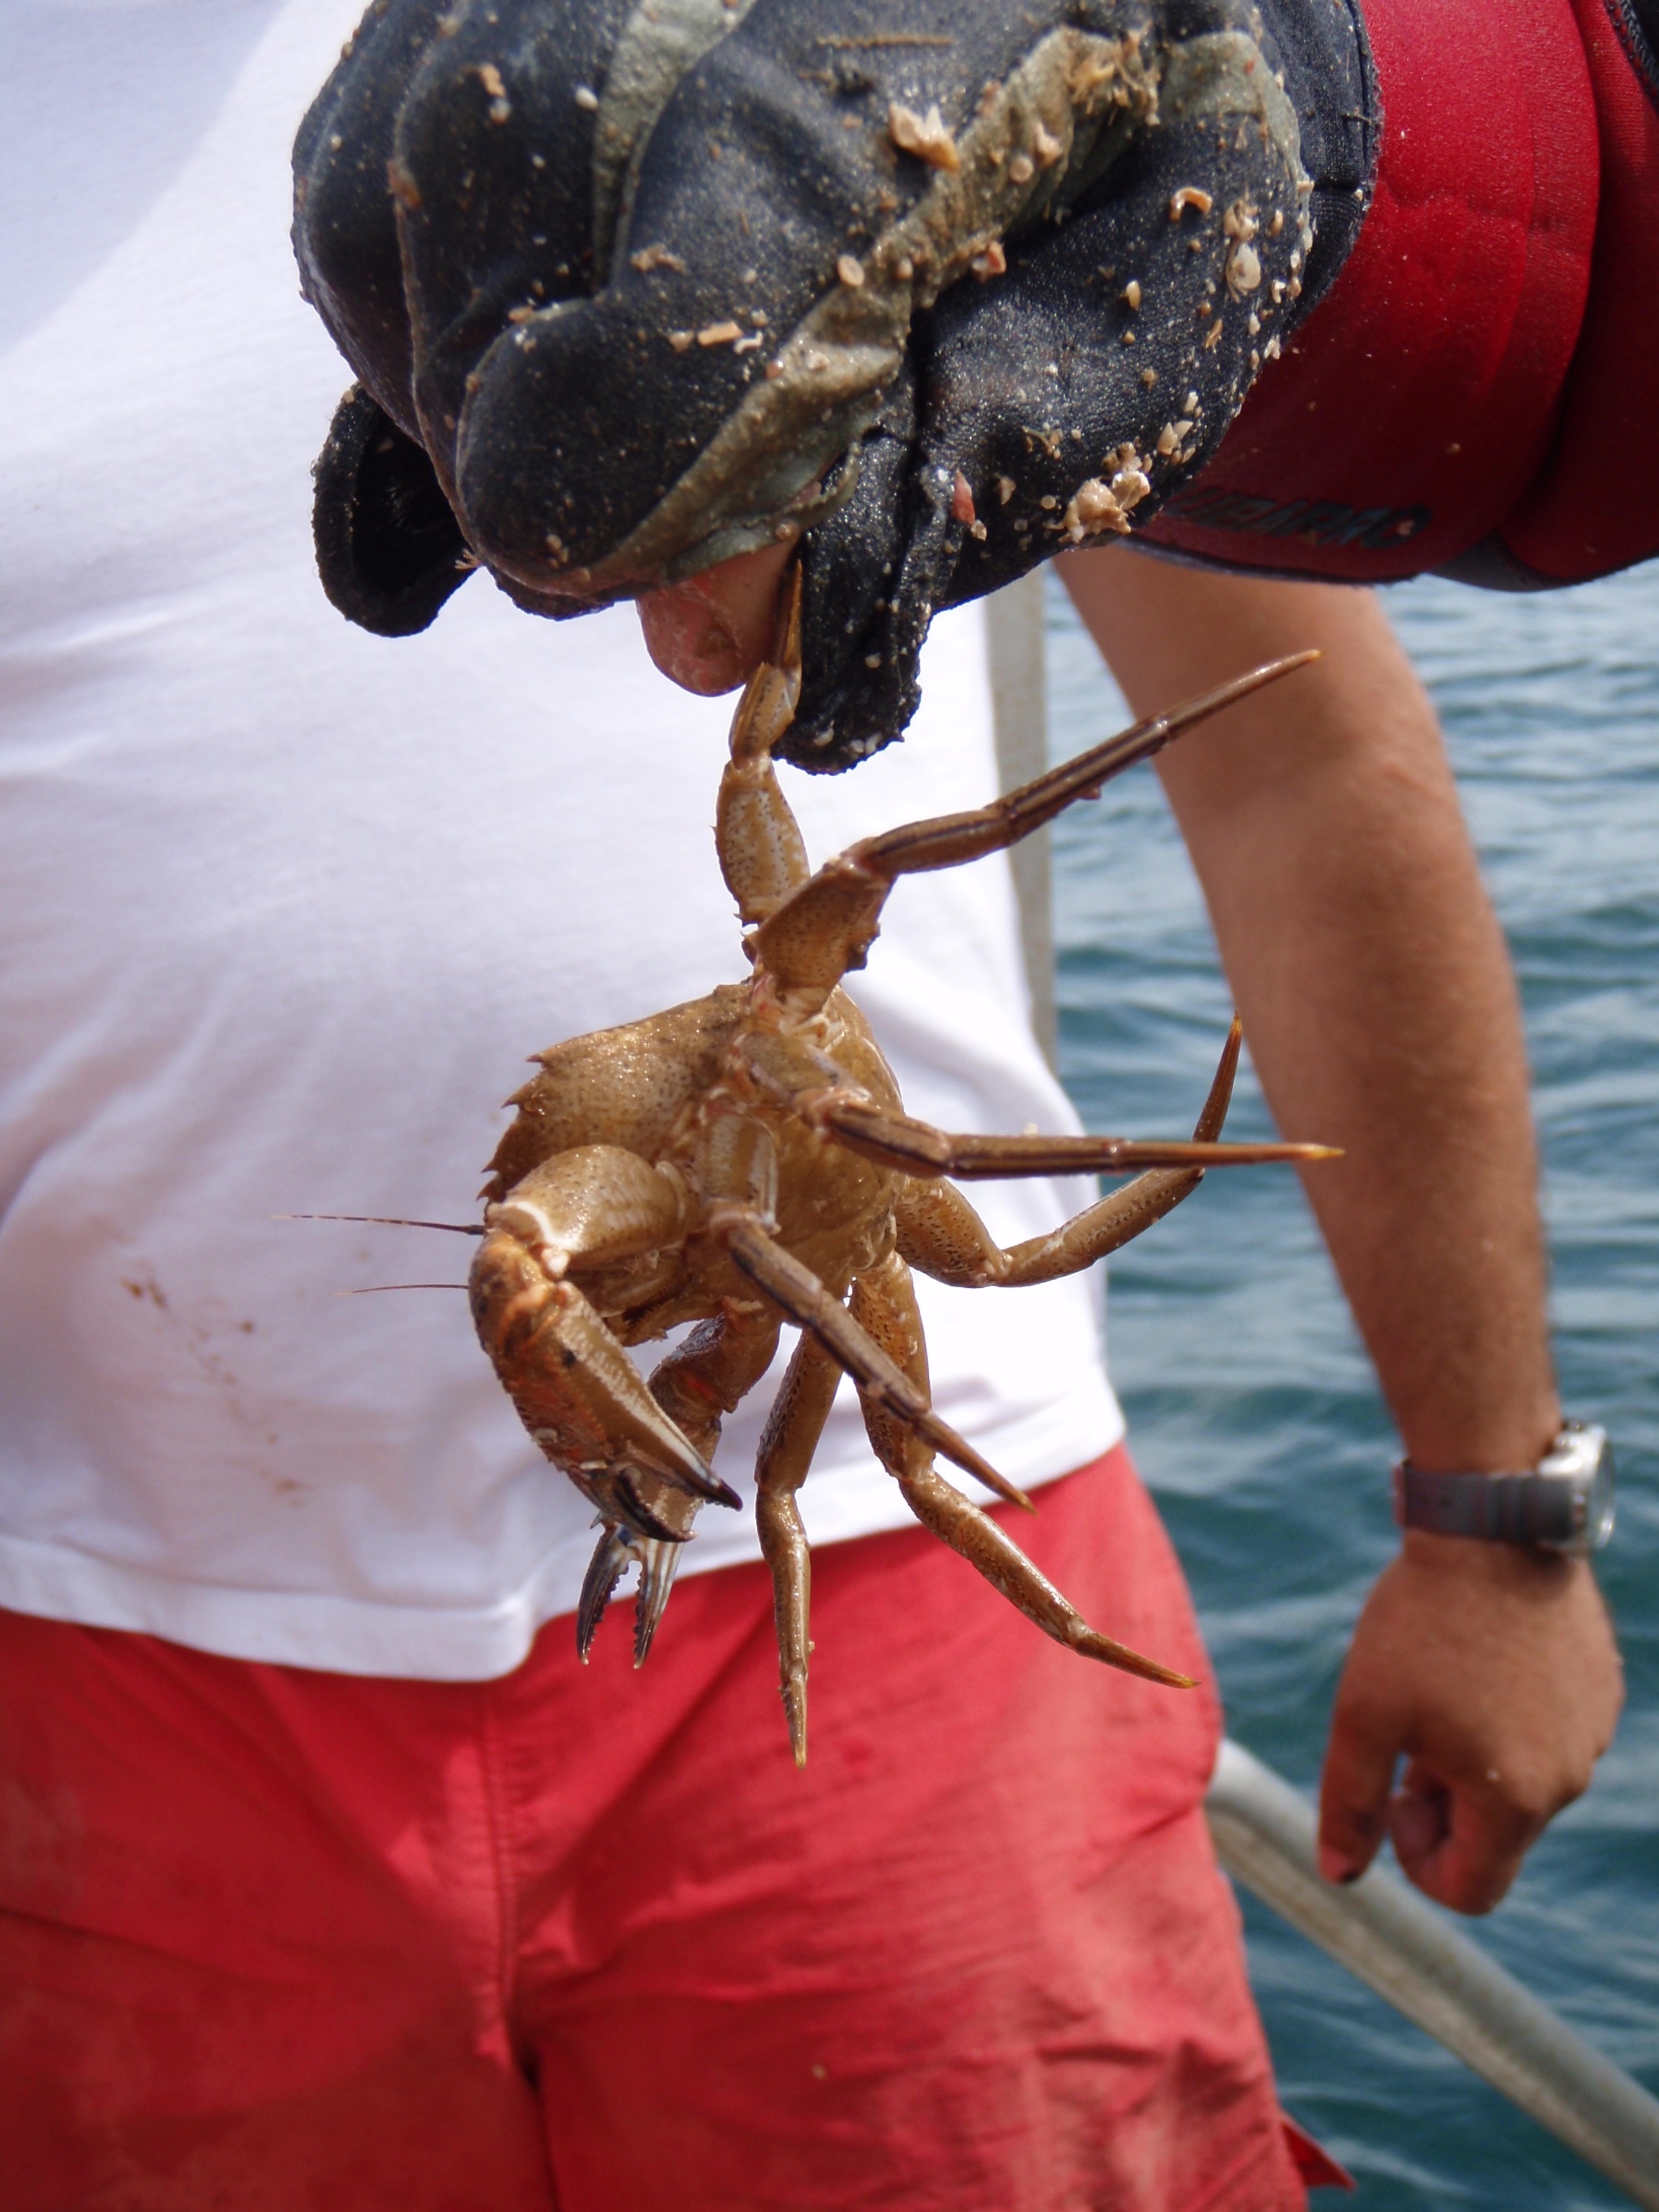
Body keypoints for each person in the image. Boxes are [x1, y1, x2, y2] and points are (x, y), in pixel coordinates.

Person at [0, 4, 1621, 2211]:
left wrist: (1489, 1512)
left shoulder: (815, 40)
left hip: (897, 1608)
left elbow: (1289, 751)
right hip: (100, 1665)